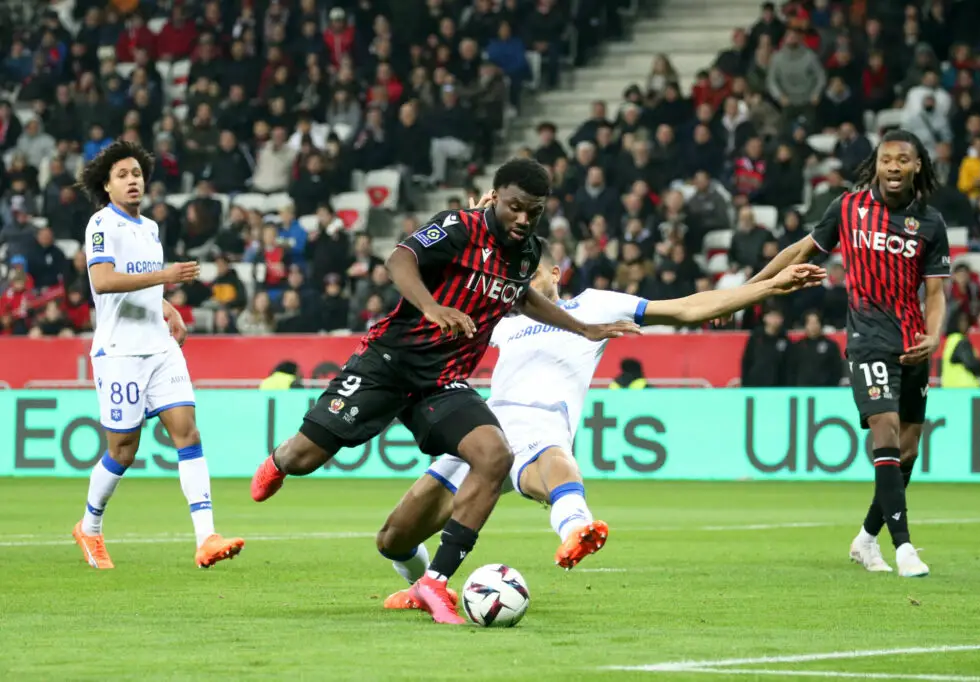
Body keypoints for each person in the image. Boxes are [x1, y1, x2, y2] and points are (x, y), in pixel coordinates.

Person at [248, 158, 640, 625]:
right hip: (388, 364)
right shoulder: (459, 226)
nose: (523, 219)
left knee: (494, 455)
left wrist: (581, 328)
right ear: (496, 197)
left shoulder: (527, 253)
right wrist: (432, 307)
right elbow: (399, 260)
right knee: (304, 457)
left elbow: (522, 296)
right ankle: (279, 461)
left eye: (533, 212)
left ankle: (434, 582)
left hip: (441, 380)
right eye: (515, 207)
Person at [374, 231, 825, 611]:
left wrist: (769, 287)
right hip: (484, 430)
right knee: (393, 538)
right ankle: (423, 588)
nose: (521, 287)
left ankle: (577, 529)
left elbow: (687, 307)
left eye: (530, 277)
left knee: (553, 463)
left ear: (555, 274)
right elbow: (451, 290)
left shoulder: (593, 306)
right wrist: (476, 233)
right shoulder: (504, 321)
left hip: (542, 424)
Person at [744, 129, 949, 578]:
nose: (893, 167)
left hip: (913, 344)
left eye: (902, 160)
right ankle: (904, 548)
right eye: (886, 159)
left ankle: (866, 539)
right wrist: (747, 290)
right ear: (876, 164)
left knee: (907, 450)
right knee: (885, 429)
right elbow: (801, 250)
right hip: (867, 340)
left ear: (917, 166)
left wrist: (934, 336)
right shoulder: (849, 208)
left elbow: (935, 294)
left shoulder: (930, 223)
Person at [72, 140, 244, 570]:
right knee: (123, 451)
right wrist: (165, 276)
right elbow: (104, 281)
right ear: (107, 186)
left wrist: (168, 308)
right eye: (122, 175)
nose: (132, 181)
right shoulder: (101, 224)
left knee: (188, 433)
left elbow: (142, 283)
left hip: (160, 348)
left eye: (137, 173)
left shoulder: (149, 228)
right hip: (120, 352)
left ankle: (206, 538)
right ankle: (90, 527)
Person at [941, 310, 980, 388]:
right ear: (955, 322)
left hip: (950, 387)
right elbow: (972, 364)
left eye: (966, 320)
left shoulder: (950, 341)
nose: (965, 323)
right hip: (965, 389)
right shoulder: (961, 341)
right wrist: (979, 363)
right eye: (961, 320)